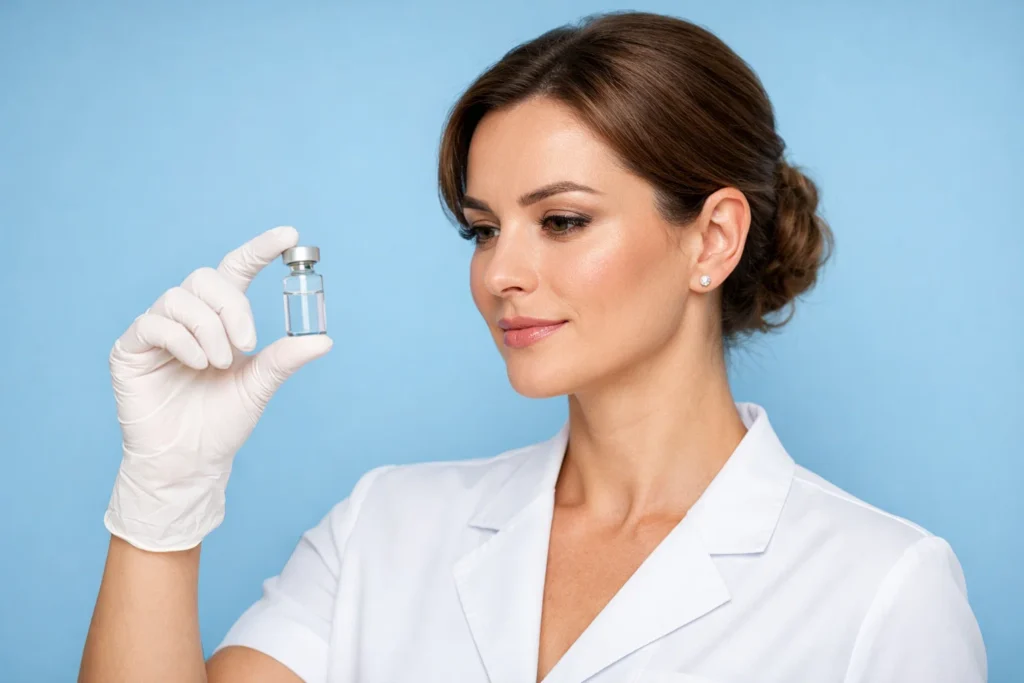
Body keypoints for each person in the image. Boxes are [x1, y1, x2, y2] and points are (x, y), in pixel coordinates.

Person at [79, 10, 986, 683]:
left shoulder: (881, 588)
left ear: (711, 239)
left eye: (561, 220)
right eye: (482, 229)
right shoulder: (386, 528)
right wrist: (163, 502)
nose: (499, 273)